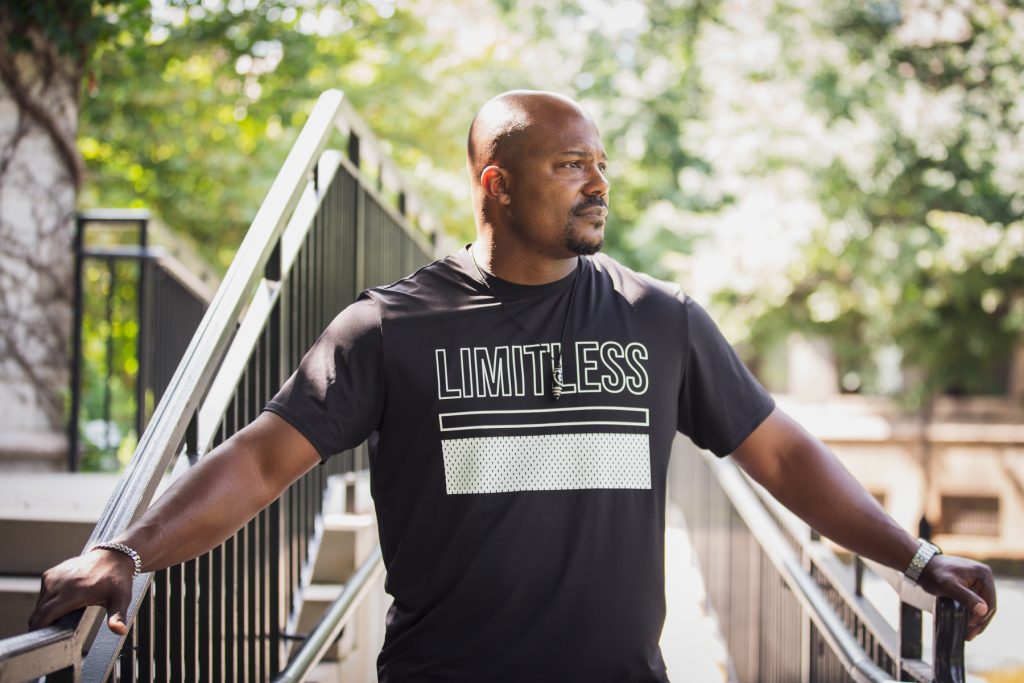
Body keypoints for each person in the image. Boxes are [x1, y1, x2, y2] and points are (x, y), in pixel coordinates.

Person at [30, 91, 996, 681]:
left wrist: (913, 561)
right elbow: (259, 461)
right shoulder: (390, 326)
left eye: (601, 165)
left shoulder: (662, 320)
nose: (597, 185)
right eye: (569, 164)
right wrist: (128, 549)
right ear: (494, 184)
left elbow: (781, 451)